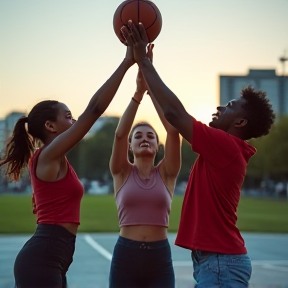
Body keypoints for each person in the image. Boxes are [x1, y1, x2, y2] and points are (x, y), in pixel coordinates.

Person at [121, 21, 276, 287]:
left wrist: (145, 61)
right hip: (216, 262)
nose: (219, 106)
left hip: (220, 264)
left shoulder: (225, 146)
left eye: (229, 106)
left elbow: (175, 115)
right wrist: (146, 79)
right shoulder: (225, 149)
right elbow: (172, 119)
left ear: (240, 123)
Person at [0, 46, 135, 288]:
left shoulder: (54, 160)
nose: (74, 121)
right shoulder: (48, 156)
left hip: (53, 259)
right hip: (43, 259)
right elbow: (94, 110)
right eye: (69, 116)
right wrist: (126, 63)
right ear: (50, 126)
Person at [108, 44, 181, 288]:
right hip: (125, 257)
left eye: (150, 136)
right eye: (138, 136)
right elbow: (119, 134)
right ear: (130, 146)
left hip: (160, 258)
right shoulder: (121, 171)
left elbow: (173, 131)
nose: (145, 138)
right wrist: (138, 94)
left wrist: (151, 89)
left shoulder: (167, 173)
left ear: (157, 147)